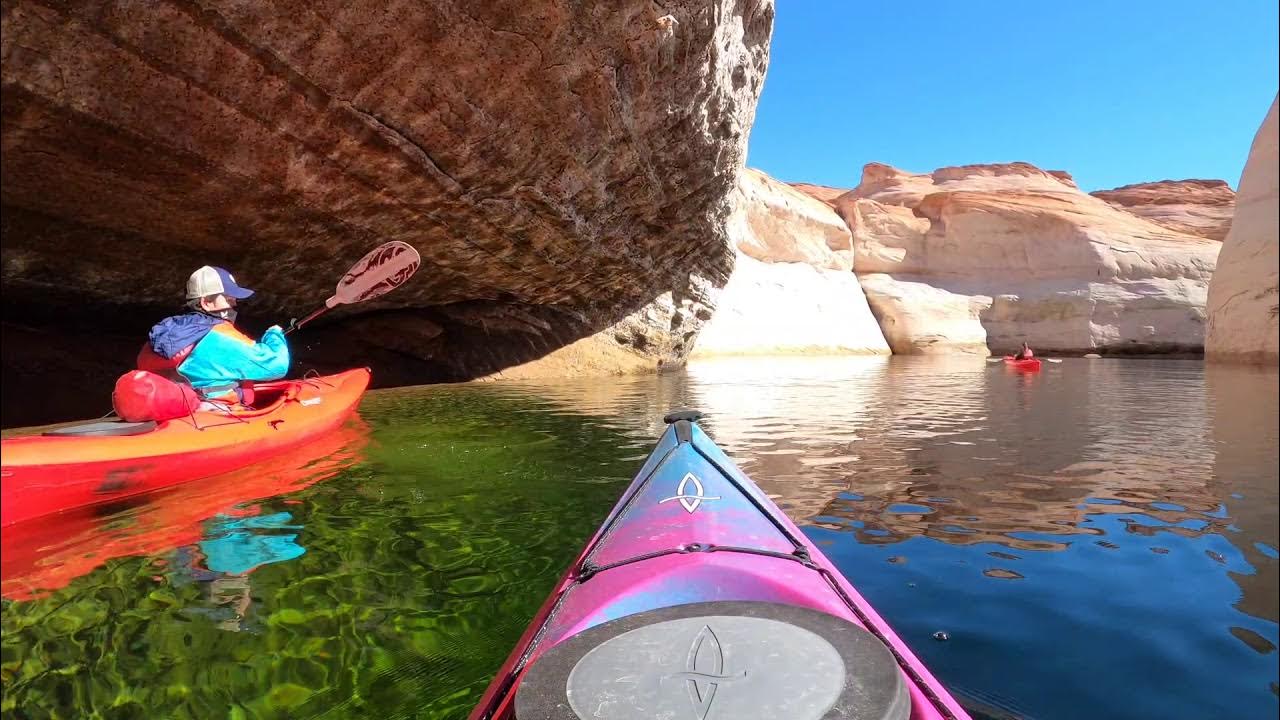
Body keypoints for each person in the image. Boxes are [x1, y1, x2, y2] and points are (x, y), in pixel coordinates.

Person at [140, 266, 290, 404]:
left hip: (177, 406)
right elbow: (277, 366)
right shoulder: (220, 335)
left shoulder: (167, 330)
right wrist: (274, 334)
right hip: (217, 412)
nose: (234, 305)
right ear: (207, 303)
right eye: (228, 299)